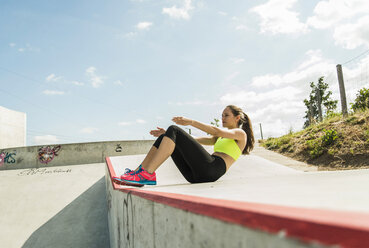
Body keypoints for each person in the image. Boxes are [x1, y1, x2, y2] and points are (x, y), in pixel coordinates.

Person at [113, 105, 255, 187]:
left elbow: (216, 130)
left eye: (226, 115)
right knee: (167, 135)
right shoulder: (219, 138)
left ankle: (147, 174)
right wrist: (168, 136)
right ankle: (139, 173)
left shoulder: (240, 133)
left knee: (174, 129)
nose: (222, 118)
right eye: (222, 115)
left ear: (237, 118)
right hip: (195, 175)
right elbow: (196, 140)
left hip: (212, 169)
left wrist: (191, 122)